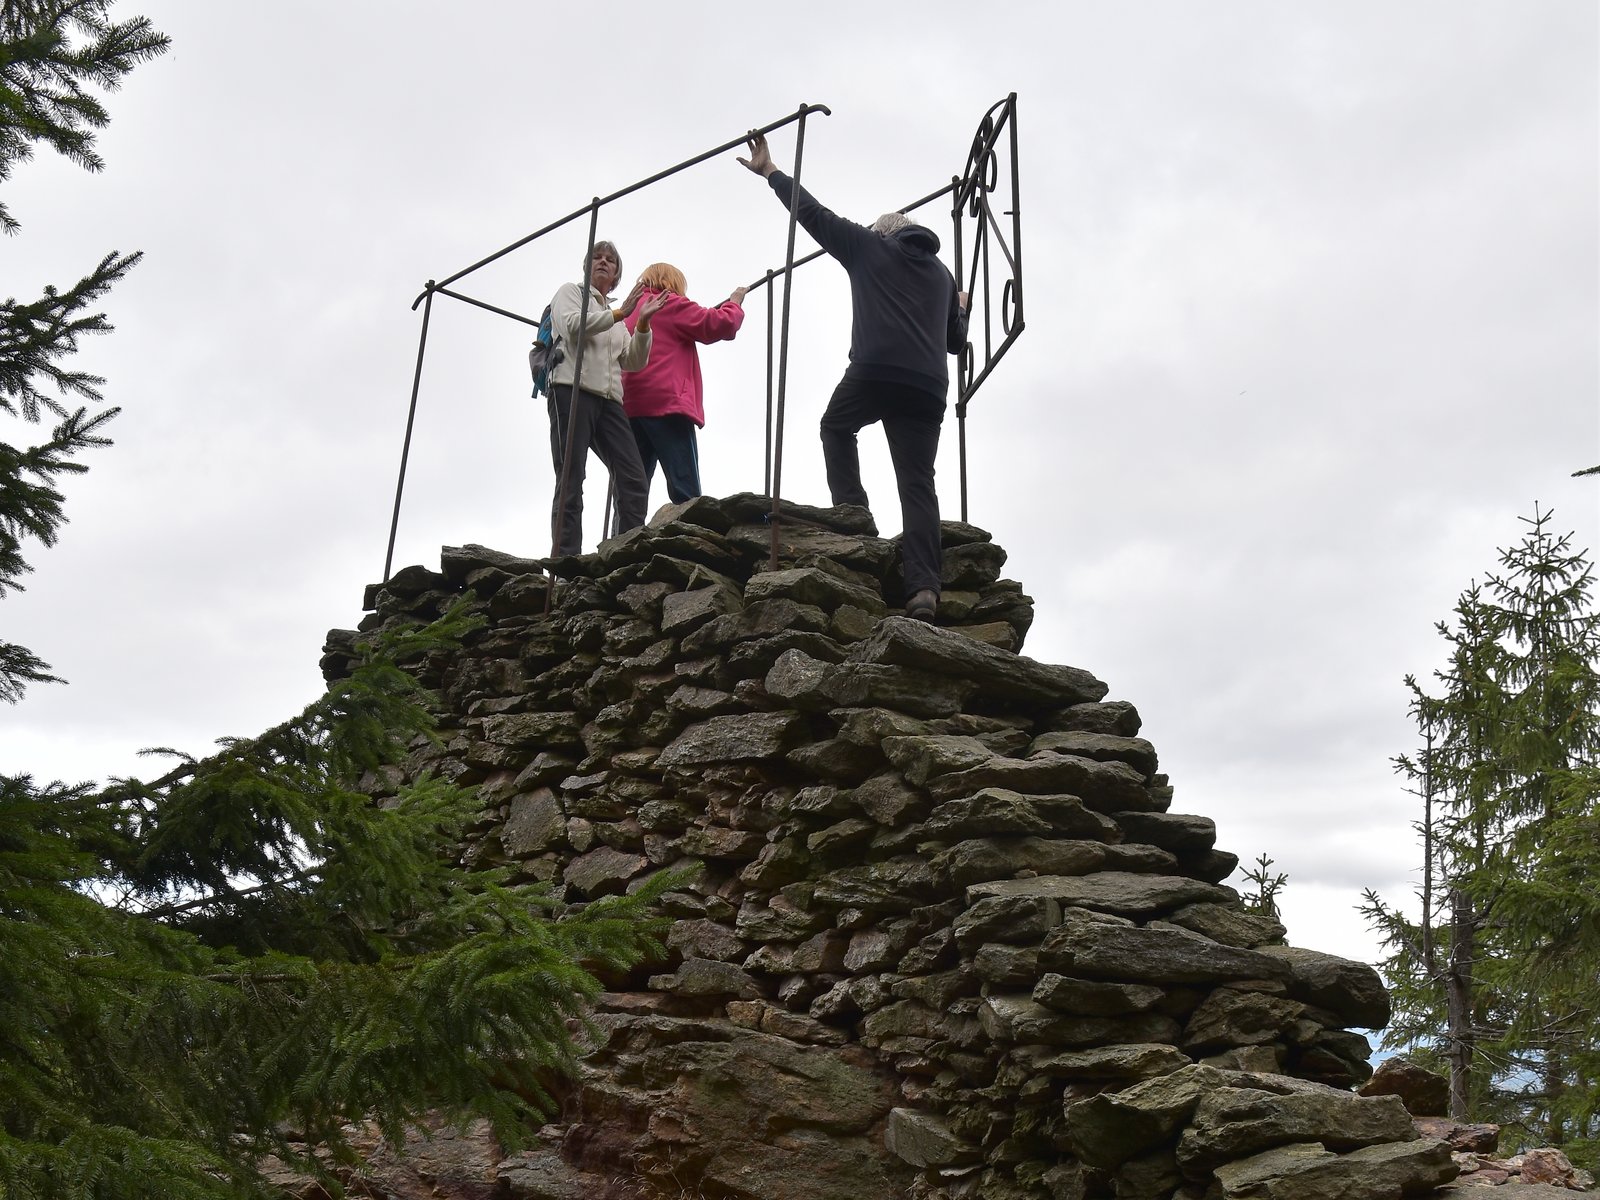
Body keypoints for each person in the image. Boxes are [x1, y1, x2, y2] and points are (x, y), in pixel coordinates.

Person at [737, 133, 969, 622]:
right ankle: (924, 590)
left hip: (876, 370)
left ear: (884, 233)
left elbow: (813, 214)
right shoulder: (943, 276)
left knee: (836, 426)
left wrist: (771, 172)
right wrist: (961, 306)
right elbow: (955, 341)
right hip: (928, 387)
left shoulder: (869, 247)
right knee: (918, 484)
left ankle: (855, 518)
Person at [547, 241, 669, 557]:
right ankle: (566, 560)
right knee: (571, 476)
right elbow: (572, 327)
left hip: (609, 401)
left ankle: (624, 557)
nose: (603, 261)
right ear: (586, 266)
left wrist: (642, 324)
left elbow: (633, 361)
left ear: (616, 275)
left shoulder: (615, 318)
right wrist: (620, 314)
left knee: (634, 478)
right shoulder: (570, 293)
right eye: (597, 257)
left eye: (610, 260)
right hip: (571, 389)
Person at [621, 263, 748, 505]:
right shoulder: (667, 302)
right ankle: (689, 526)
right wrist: (734, 302)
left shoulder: (629, 311)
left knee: (632, 490)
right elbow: (718, 323)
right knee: (684, 486)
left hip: (630, 407)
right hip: (666, 403)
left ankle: (625, 528)